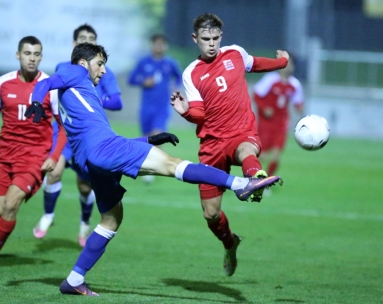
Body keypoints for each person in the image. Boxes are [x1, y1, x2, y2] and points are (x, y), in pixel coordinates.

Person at [24, 42, 281, 296]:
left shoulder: (77, 97)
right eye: (100, 64)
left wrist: (148, 140)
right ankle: (241, 184)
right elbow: (43, 84)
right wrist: (36, 102)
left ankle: (74, 279)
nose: (102, 71)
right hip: (105, 149)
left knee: (111, 220)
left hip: (92, 160)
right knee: (173, 165)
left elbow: (96, 137)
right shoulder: (76, 71)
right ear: (84, 63)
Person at [170, 13, 288, 278]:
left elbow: (255, 63)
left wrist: (282, 61)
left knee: (247, 149)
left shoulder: (235, 53)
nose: (211, 44)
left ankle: (254, 179)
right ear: (195, 39)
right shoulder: (191, 73)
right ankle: (230, 243)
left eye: (215, 38)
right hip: (212, 145)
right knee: (211, 215)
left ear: (221, 37)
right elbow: (199, 114)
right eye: (205, 39)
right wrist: (185, 111)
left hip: (241, 132)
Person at [0, 36, 67, 269]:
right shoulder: (2, 83)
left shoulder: (50, 86)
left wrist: (53, 157)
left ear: (41, 57)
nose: (32, 58)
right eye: (27, 53)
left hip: (35, 157)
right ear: (18, 55)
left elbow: (64, 126)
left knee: (12, 203)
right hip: (5, 155)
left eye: (36, 54)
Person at [32, 24, 123, 247]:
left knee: (85, 186)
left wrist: (93, 100)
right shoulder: (66, 67)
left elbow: (118, 102)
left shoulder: (104, 72)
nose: (89, 42)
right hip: (65, 132)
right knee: (53, 171)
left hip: (88, 136)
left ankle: (84, 223)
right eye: (84, 38)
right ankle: (48, 215)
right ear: (75, 45)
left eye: (92, 38)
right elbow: (51, 86)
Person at [128, 33, 182, 183]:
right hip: (146, 108)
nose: (159, 46)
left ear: (166, 46)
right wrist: (143, 81)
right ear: (151, 45)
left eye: (162, 44)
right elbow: (132, 79)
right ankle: (148, 166)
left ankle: (154, 169)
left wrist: (175, 86)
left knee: (157, 135)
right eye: (156, 43)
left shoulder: (170, 63)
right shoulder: (143, 62)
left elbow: (179, 76)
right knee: (147, 139)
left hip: (162, 108)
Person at [253, 57, 304, 178]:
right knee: (263, 155)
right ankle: (253, 177)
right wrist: (264, 108)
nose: (287, 67)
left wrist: (301, 111)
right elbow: (256, 95)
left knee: (276, 155)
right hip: (266, 123)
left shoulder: (295, 84)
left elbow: (298, 103)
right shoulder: (270, 79)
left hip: (282, 123)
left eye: (290, 64)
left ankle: (265, 183)